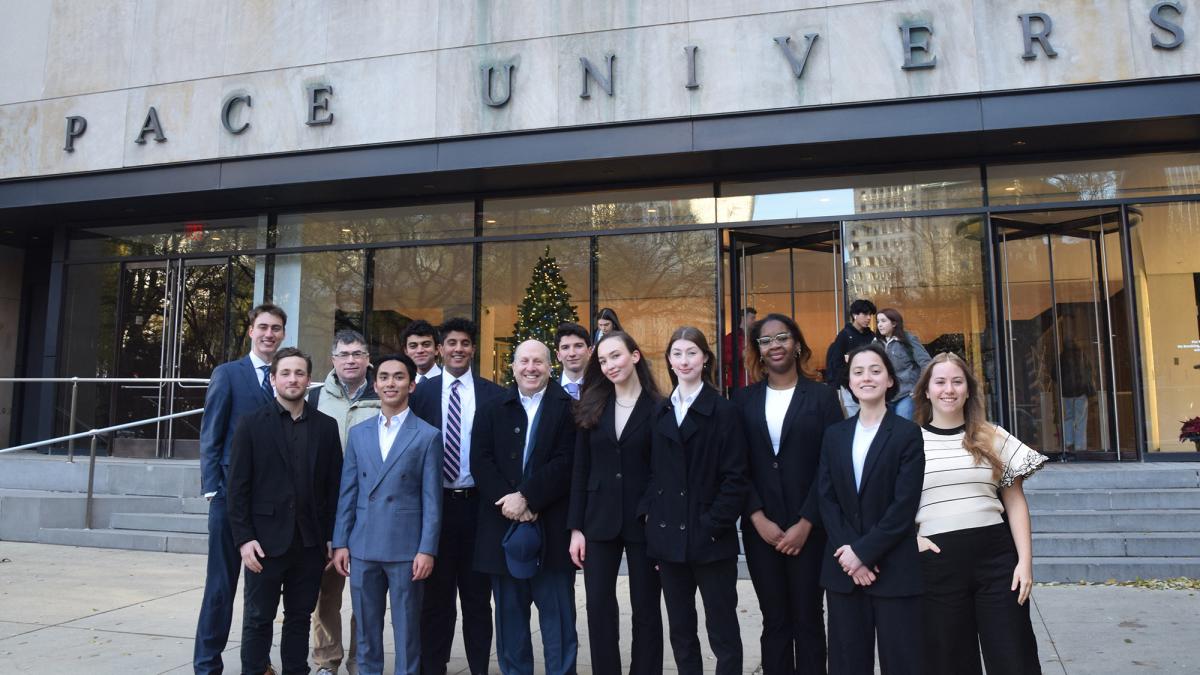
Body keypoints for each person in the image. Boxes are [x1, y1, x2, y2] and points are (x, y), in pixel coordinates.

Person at [912, 352, 1047, 675]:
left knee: (1013, 656)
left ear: (969, 390)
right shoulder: (908, 442)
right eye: (940, 382)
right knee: (949, 661)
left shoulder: (992, 436)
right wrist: (910, 539)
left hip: (997, 563)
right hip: (937, 564)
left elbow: (1015, 502)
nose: (949, 389)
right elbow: (889, 503)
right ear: (926, 391)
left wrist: (1024, 563)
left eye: (957, 382)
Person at [734, 313, 842, 675]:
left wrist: (807, 521)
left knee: (809, 619)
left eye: (782, 338)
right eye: (765, 341)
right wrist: (756, 516)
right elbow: (736, 465)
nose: (774, 345)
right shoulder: (742, 400)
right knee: (775, 620)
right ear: (758, 351)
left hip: (810, 530)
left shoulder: (824, 397)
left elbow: (832, 465)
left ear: (797, 344)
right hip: (760, 529)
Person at [226, 347, 344, 675]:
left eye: (300, 373)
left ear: (309, 379)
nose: (293, 379)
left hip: (309, 544)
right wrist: (244, 539)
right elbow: (237, 488)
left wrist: (332, 537)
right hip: (264, 542)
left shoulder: (326, 427)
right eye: (286, 373)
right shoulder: (251, 425)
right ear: (274, 378)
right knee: (258, 618)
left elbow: (334, 488)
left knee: (299, 618)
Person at [641, 326, 748, 675]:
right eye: (677, 353)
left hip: (711, 540)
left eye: (691, 353)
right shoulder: (659, 411)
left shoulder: (724, 411)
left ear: (705, 359)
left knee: (723, 631)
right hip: (669, 540)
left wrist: (712, 524)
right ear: (669, 361)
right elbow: (653, 474)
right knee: (682, 632)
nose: (684, 360)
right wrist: (653, 526)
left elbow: (736, 477)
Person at [816, 343, 925, 675]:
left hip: (893, 568)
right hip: (844, 570)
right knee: (847, 664)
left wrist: (863, 552)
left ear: (890, 380)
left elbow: (903, 506)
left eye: (876, 371)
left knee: (903, 662)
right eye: (858, 372)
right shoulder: (835, 435)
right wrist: (851, 556)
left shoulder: (908, 434)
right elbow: (826, 498)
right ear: (849, 382)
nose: (867, 378)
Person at [332, 353, 444, 675]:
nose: (390, 383)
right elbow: (348, 491)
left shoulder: (427, 435)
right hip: (363, 544)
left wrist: (427, 549)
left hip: (406, 549)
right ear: (375, 383)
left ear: (411, 384)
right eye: (383, 377)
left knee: (408, 632)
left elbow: (432, 500)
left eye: (398, 377)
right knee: (366, 632)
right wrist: (341, 541)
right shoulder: (360, 433)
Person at [472, 339, 578, 675]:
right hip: (502, 528)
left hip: (553, 530)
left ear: (551, 366)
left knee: (558, 623)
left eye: (538, 362)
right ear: (513, 366)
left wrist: (528, 497)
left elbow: (568, 461)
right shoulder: (491, 407)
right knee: (510, 625)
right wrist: (510, 501)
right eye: (524, 362)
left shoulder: (569, 408)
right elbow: (480, 461)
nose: (530, 368)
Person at [194, 303, 287, 675]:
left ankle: (258, 662)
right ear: (250, 331)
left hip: (270, 505)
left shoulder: (286, 378)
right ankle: (206, 665)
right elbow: (211, 435)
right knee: (220, 588)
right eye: (263, 327)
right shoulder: (228, 374)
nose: (269, 334)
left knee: (261, 594)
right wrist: (213, 491)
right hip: (230, 499)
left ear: (282, 333)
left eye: (276, 328)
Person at [409, 317, 504, 675]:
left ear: (473, 348)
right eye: (451, 343)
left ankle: (479, 667)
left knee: (478, 599)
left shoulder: (492, 394)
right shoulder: (422, 395)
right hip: (436, 509)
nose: (458, 349)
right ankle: (433, 667)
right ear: (440, 349)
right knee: (435, 601)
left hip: (479, 508)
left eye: (465, 343)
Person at [568, 331, 664, 675]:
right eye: (603, 360)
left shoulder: (659, 408)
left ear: (635, 356)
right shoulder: (591, 404)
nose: (609, 365)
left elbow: (663, 470)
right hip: (598, 519)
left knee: (646, 608)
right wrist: (576, 528)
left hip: (643, 521)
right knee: (598, 606)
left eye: (616, 356)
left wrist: (653, 512)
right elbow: (581, 468)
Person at [310, 329, 381, 675]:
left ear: (368, 358)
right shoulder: (315, 399)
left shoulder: (384, 395)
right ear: (332, 359)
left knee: (367, 594)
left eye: (357, 353)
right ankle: (326, 660)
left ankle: (360, 661)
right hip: (327, 508)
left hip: (371, 510)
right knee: (326, 592)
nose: (350, 360)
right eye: (343, 354)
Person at [874, 308, 931, 421]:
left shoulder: (908, 340)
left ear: (894, 323)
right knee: (886, 429)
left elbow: (927, 363)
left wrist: (917, 389)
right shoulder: (876, 343)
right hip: (884, 396)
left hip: (906, 394)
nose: (879, 325)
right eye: (878, 321)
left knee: (902, 427)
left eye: (883, 321)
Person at [825, 299, 877, 418]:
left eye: (870, 315)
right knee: (853, 419)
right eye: (865, 314)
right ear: (854, 315)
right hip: (849, 386)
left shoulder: (872, 336)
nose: (869, 318)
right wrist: (845, 382)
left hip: (870, 384)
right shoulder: (844, 335)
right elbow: (836, 362)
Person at [722, 306, 757, 391]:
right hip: (736, 383)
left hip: (753, 381)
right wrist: (741, 354)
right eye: (752, 318)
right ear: (743, 318)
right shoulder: (731, 338)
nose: (754, 321)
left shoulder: (754, 337)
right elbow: (726, 359)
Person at [555, 322, 591, 400]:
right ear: (558, 355)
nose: (572, 353)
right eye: (565, 347)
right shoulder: (548, 392)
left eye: (578, 346)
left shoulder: (604, 389)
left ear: (589, 351)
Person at [403, 320, 443, 384]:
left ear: (437, 349)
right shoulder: (401, 382)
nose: (420, 351)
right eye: (413, 346)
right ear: (406, 351)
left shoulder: (450, 379)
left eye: (426, 345)